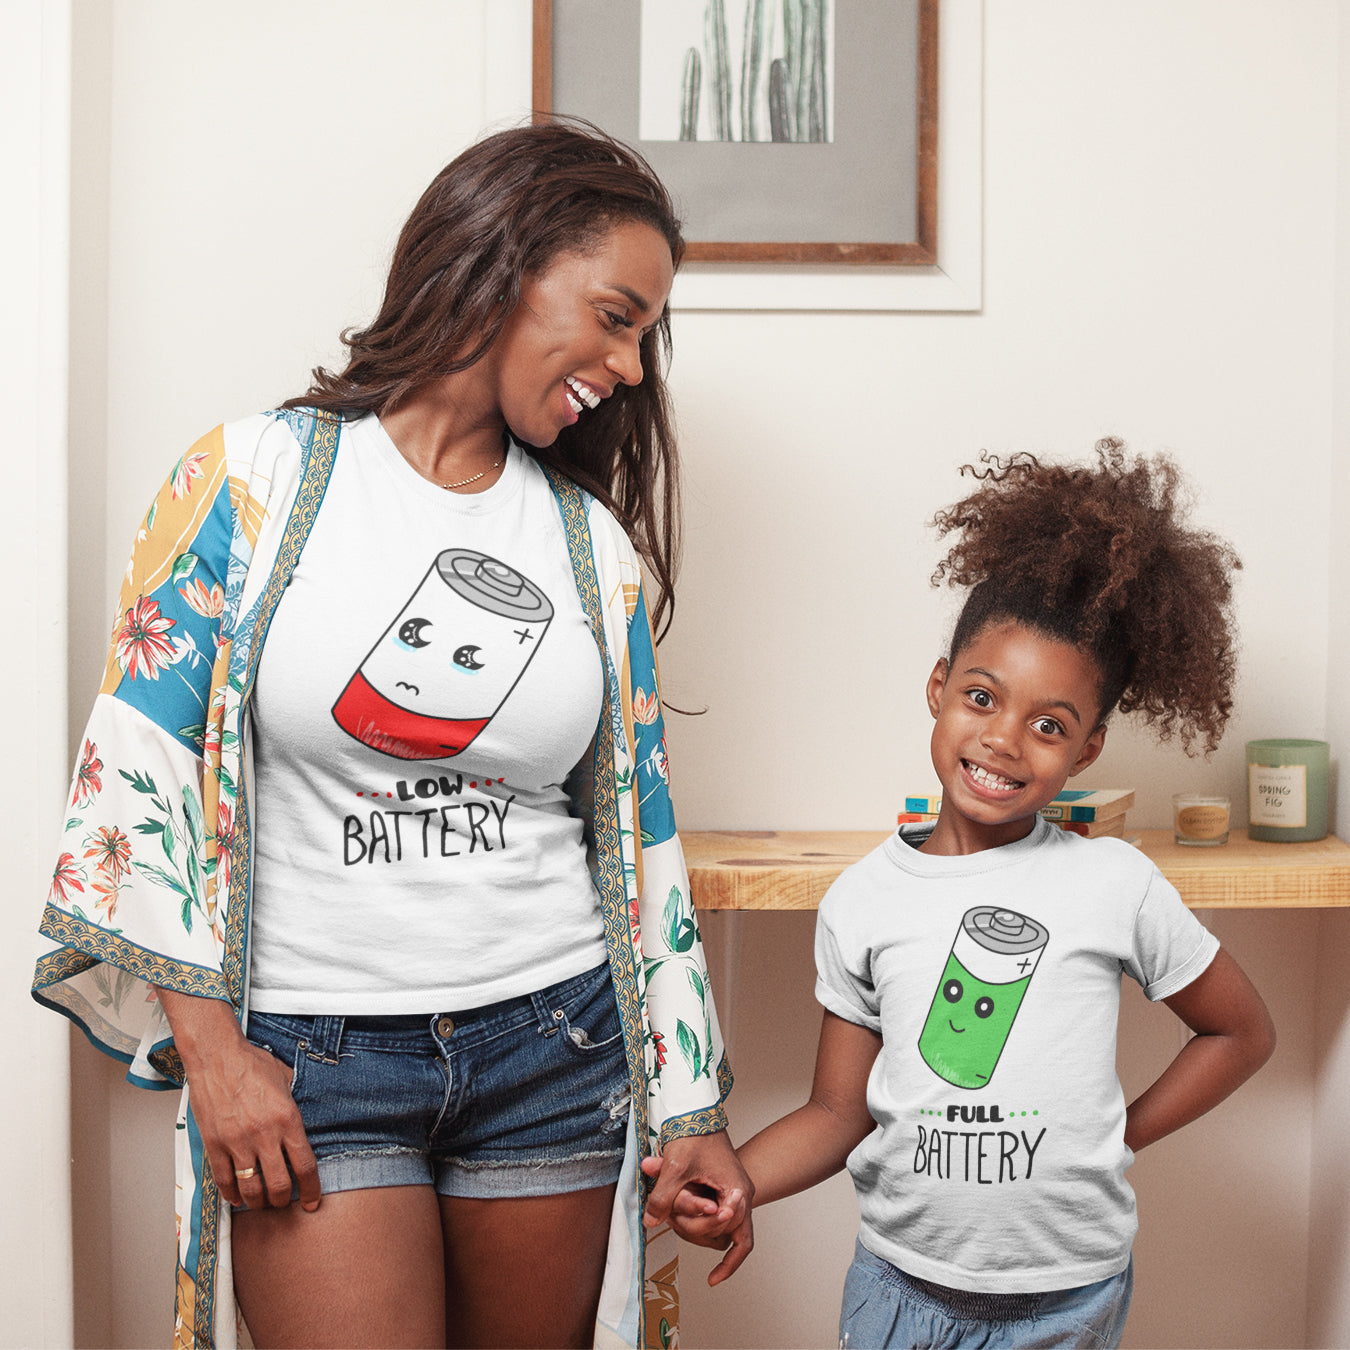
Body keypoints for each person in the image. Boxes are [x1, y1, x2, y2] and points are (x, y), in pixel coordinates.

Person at [33, 119, 749, 1350]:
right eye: (619, 317)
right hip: (313, 1060)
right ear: (506, 261)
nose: (632, 369)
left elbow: (638, 838)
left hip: (554, 1045)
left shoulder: (590, 550)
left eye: (645, 337)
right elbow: (132, 769)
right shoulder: (251, 477)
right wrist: (214, 1057)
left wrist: (689, 1108)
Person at [644, 441, 1276, 1348]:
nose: (1006, 740)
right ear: (939, 690)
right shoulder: (865, 901)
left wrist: (1117, 1137)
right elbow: (836, 1111)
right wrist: (735, 1178)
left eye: (1050, 725)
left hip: (1070, 1302)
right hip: (901, 1293)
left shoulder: (1113, 883)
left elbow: (1240, 1032)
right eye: (982, 697)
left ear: (1088, 749)